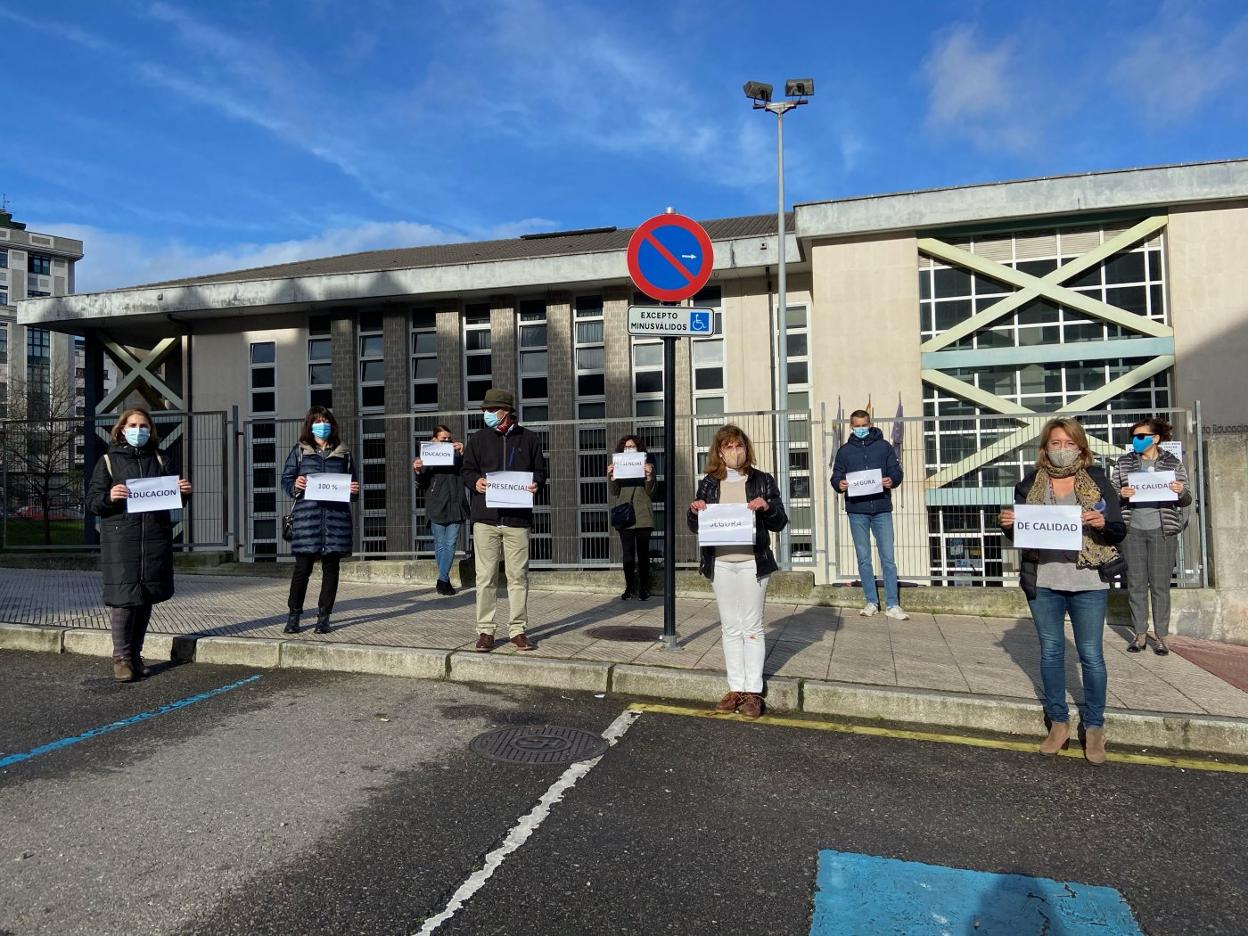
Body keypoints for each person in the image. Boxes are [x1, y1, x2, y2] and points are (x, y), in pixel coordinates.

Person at [999, 417, 1126, 765]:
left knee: (1091, 655)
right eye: (1056, 443)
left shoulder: (1098, 481)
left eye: (1069, 444)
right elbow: (1023, 537)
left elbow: (1117, 530)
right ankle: (1058, 723)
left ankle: (1095, 726)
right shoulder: (1029, 484)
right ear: (1045, 448)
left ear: (1081, 448)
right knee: (1052, 653)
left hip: (1087, 581)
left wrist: (1103, 523)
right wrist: (1009, 526)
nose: (1062, 450)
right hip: (1044, 580)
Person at [84, 408, 192, 682]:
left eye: (144, 425)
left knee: (144, 598)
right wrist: (110, 496)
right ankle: (121, 657)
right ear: (121, 429)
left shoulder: (161, 458)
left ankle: (135, 655)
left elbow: (172, 500)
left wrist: (183, 493)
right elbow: (93, 502)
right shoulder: (108, 461)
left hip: (153, 540)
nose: (139, 429)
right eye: (133, 425)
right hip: (122, 540)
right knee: (124, 600)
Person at [688, 424, 788, 719]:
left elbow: (780, 521)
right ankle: (736, 687)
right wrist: (694, 510)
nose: (735, 451)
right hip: (720, 563)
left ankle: (753, 692)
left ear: (746, 448)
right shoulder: (709, 483)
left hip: (752, 563)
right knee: (730, 626)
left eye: (739, 445)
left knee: (752, 626)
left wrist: (766, 507)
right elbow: (695, 525)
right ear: (719, 452)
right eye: (728, 447)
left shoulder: (762, 480)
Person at [461, 388, 546, 652]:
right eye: (484, 410)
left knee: (517, 576)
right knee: (485, 576)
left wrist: (536, 484)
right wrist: (476, 482)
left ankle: (517, 629)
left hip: (517, 519)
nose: (486, 414)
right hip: (485, 519)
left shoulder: (529, 439)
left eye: (490, 410)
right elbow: (467, 470)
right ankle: (485, 631)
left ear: (506, 411)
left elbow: (541, 472)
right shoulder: (478, 439)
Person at [1112, 417, 1192, 656]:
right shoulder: (1124, 463)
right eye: (1133, 437)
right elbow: (1112, 495)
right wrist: (1122, 494)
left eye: (1140, 436)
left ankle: (1161, 637)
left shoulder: (1172, 463)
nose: (1135, 441)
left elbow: (1187, 498)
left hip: (1162, 530)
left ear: (1155, 438)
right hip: (1132, 530)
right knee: (1136, 584)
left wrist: (1180, 491)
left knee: (1160, 586)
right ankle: (1139, 635)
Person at [281, 406, 359, 635]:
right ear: (310, 425)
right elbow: (286, 480)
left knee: (331, 570)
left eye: (325, 421)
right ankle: (293, 615)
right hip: (307, 520)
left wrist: (354, 490)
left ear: (332, 424)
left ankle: (324, 617)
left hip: (336, 522)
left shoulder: (343, 453)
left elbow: (352, 486)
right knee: (301, 570)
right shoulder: (300, 451)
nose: (321, 425)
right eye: (317, 421)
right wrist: (295, 485)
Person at [831, 409, 908, 620]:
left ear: (870, 424)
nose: (861, 429)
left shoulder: (884, 447)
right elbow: (836, 476)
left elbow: (896, 471)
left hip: (882, 509)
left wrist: (892, 480)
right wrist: (840, 484)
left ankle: (893, 604)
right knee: (864, 559)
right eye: (857, 426)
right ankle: (871, 601)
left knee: (888, 558)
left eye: (864, 425)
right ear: (851, 426)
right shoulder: (844, 451)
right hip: (857, 511)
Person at [414, 424, 468, 596]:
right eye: (443, 438)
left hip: (456, 504)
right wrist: (417, 471)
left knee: (450, 543)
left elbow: (468, 470)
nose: (446, 441)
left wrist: (462, 453)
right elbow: (422, 484)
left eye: (448, 438)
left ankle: (442, 579)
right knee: (440, 544)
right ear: (434, 439)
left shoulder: (457, 456)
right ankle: (444, 580)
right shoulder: (427, 457)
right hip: (436, 504)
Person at [607, 434, 656, 601]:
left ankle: (644, 588)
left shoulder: (646, 465)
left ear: (638, 449)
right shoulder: (619, 465)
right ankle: (629, 587)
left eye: (632, 446)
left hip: (643, 515)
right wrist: (612, 476)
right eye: (626, 447)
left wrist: (649, 476)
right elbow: (614, 492)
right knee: (627, 554)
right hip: (625, 515)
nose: (629, 449)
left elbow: (651, 492)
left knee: (643, 554)